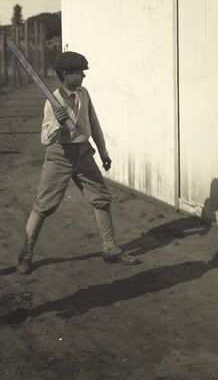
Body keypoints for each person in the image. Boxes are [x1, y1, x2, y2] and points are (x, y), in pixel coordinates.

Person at [17, 51, 139, 274]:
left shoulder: (84, 94)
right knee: (44, 205)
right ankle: (26, 254)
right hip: (59, 155)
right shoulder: (53, 101)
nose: (83, 75)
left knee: (101, 198)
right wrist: (58, 123)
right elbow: (45, 139)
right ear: (66, 74)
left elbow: (94, 123)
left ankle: (110, 247)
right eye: (79, 72)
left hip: (83, 153)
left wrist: (103, 152)